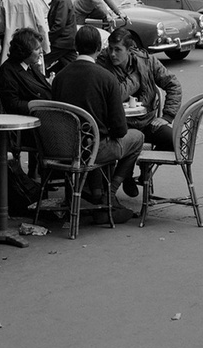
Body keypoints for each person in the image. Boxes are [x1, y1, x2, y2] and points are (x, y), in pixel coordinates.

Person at [51, 26, 144, 224]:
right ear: (98, 48)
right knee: (137, 138)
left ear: (76, 47)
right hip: (93, 150)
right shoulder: (105, 78)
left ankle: (96, 191)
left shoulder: (59, 78)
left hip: (62, 148)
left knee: (100, 137)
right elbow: (120, 129)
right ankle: (110, 192)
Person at [96, 27, 182, 197]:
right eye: (110, 48)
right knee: (128, 142)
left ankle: (144, 167)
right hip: (120, 125)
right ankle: (125, 174)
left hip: (146, 121)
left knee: (174, 140)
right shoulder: (102, 65)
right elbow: (114, 95)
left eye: (118, 50)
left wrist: (167, 116)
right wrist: (135, 80)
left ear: (130, 50)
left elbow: (173, 84)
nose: (112, 54)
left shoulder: (147, 61)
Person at [0, 0, 50, 67]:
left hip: (11, 47)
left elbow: (1, 27)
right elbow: (42, 26)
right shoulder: (33, 1)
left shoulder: (6, 1)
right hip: (32, 47)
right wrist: (46, 48)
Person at [43, 0, 78, 74]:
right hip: (67, 41)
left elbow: (59, 25)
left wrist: (47, 39)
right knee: (73, 65)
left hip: (62, 42)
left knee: (41, 61)